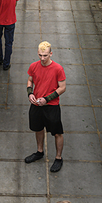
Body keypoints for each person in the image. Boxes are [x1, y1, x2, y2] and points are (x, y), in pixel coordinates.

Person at [25, 41, 66, 173]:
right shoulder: (34, 66)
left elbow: (62, 87)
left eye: (45, 55)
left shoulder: (58, 69)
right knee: (38, 128)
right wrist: (30, 93)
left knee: (57, 133)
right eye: (40, 55)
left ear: (51, 54)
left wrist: (46, 99)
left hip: (51, 106)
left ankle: (58, 158)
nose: (42, 58)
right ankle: (39, 151)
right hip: (36, 104)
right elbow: (30, 80)